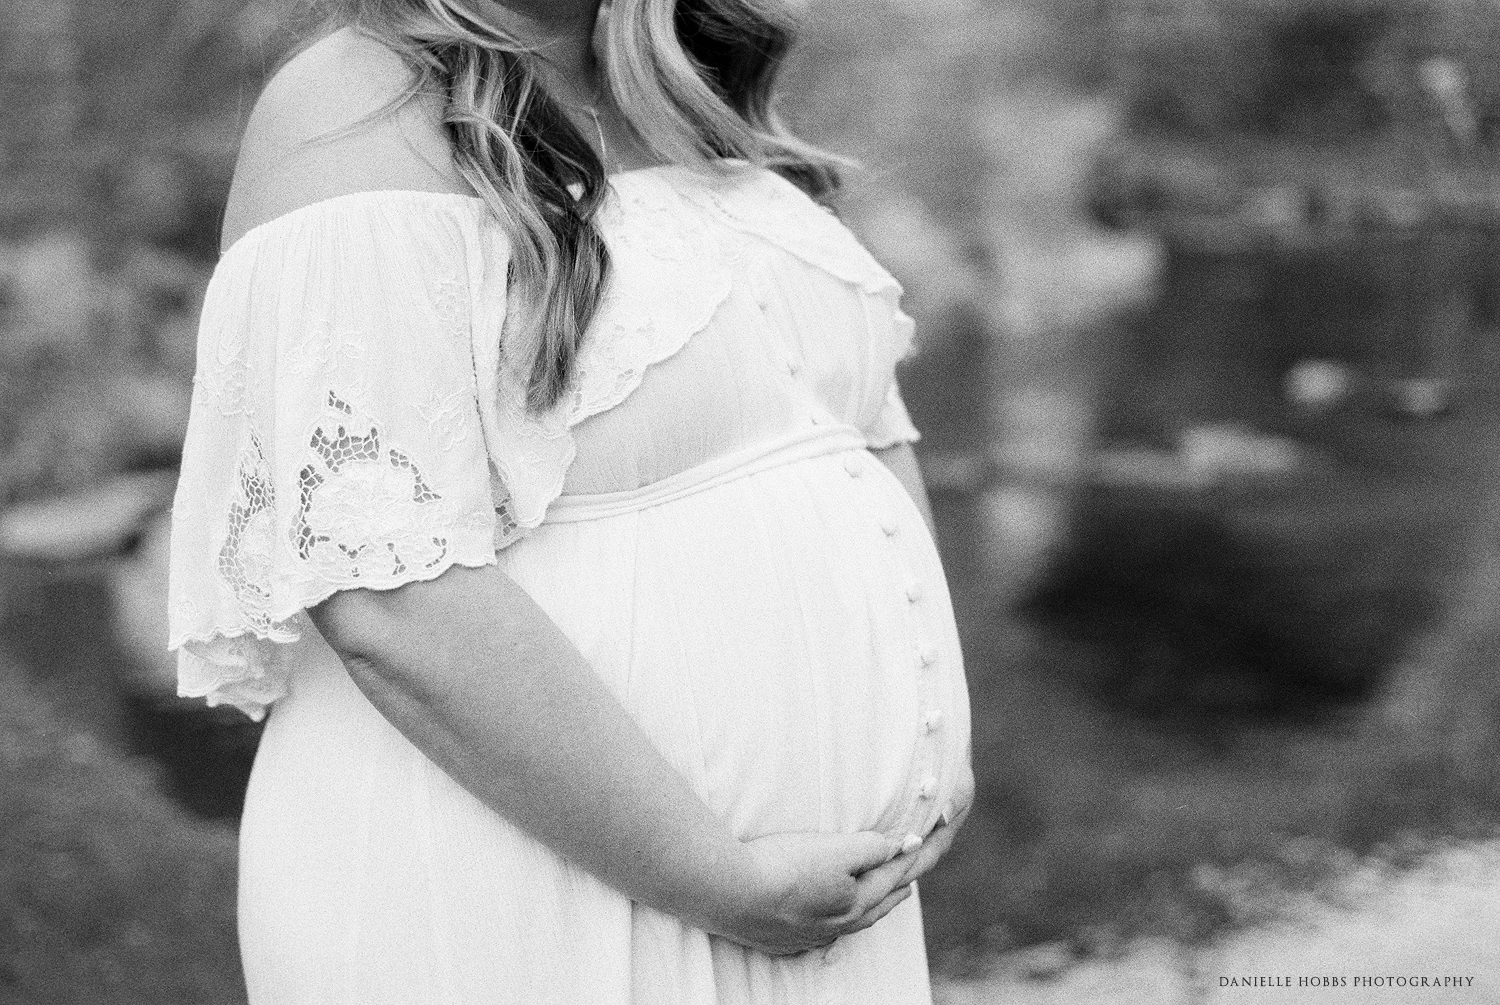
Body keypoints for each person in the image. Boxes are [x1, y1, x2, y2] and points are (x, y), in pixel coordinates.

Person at [167, 0, 973, 1001]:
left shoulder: (676, 84)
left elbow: (854, 421)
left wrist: (932, 731)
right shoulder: (353, 105)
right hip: (532, 894)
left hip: (812, 905)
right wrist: (714, 877)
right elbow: (386, 593)